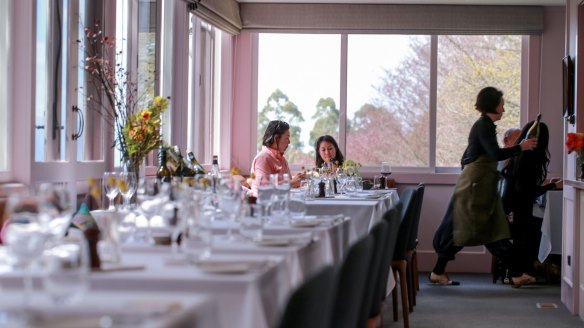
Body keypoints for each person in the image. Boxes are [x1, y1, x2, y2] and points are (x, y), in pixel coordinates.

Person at [430, 86, 538, 286]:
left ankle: (438, 272)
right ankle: (515, 274)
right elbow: (495, 154)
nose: (504, 109)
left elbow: (468, 157)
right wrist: (520, 147)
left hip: (477, 184)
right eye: (502, 105)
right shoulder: (484, 126)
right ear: (493, 105)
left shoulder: (484, 125)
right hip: (476, 186)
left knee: (479, 229)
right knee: (483, 230)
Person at [501, 121, 562, 284]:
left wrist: (547, 184)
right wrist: (552, 186)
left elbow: (524, 188)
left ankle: (512, 274)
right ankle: (517, 273)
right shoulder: (527, 160)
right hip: (514, 211)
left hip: (509, 207)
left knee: (535, 227)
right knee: (538, 229)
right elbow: (525, 193)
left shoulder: (518, 156)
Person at [251, 120, 304, 194]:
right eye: (287, 138)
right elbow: (264, 191)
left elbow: (289, 186)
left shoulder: (283, 159)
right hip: (265, 204)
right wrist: (292, 183)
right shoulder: (262, 159)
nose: (289, 142)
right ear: (276, 138)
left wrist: (299, 181)